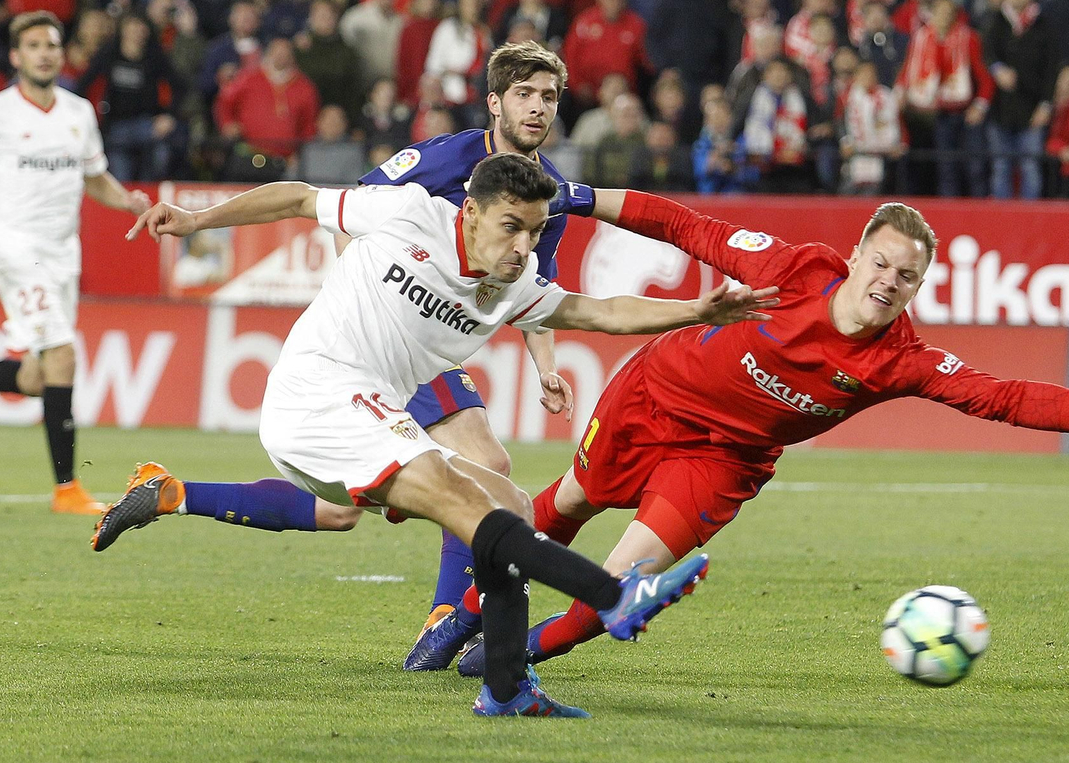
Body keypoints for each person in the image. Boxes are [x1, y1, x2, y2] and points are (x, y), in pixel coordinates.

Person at [421, 189, 1069, 676]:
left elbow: (1005, 395)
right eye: (881, 263)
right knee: (566, 500)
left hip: (725, 459)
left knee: (622, 580)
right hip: (655, 396)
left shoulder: (900, 358)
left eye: (907, 276)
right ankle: (460, 610)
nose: (889, 283)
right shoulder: (796, 269)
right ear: (856, 256)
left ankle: (509, 660)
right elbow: (688, 227)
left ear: (920, 284)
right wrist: (582, 195)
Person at [113, 152, 771, 716]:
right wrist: (195, 220)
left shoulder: (513, 285)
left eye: (535, 232)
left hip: (367, 417)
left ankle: (507, 686)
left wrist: (695, 309)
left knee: (509, 502)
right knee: (458, 494)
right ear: (470, 214)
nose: (523, 247)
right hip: (316, 394)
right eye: (512, 227)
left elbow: (599, 310)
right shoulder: (406, 212)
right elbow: (301, 197)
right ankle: (612, 596)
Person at [93, 42, 590, 643]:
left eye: (549, 97)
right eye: (525, 94)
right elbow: (341, 212)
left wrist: (546, 366)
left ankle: (170, 493)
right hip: (380, 337)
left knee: (340, 511)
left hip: (423, 345)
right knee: (486, 466)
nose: (538, 108)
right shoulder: (442, 159)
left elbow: (537, 291)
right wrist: (371, 306)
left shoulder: (551, 196)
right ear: (494, 102)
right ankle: (450, 618)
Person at [0, 12, 151, 513]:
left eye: (52, 44)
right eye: (34, 45)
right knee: (63, 355)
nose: (45, 52)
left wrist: (126, 199)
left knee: (39, 377)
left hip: (62, 254)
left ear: (61, 55)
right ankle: (67, 489)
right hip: (13, 250)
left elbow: (95, 177)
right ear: (18, 57)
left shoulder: (79, 113)